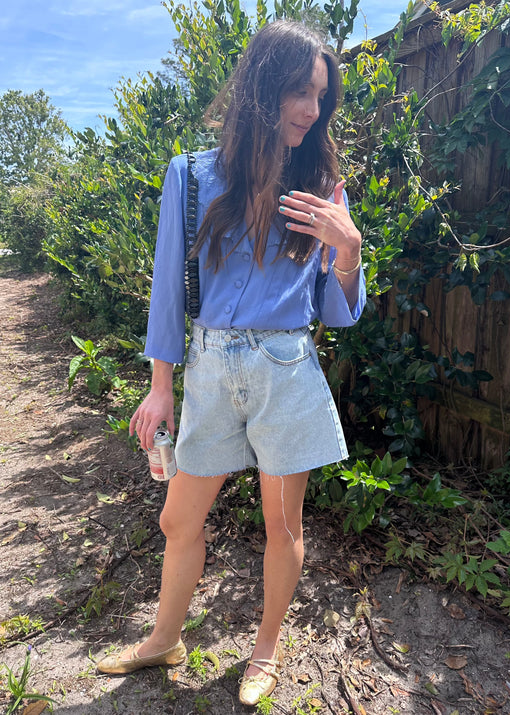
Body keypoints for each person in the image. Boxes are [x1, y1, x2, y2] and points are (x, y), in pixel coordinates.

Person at [95, 19, 366, 706]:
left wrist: (349, 252)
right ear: (261, 86)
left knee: (284, 525)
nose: (310, 109)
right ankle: (163, 639)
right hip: (212, 370)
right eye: (299, 91)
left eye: (319, 97)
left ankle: (266, 649)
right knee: (177, 519)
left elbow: (337, 312)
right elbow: (166, 291)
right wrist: (160, 386)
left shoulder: (323, 186)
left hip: (286, 370)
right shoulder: (190, 178)